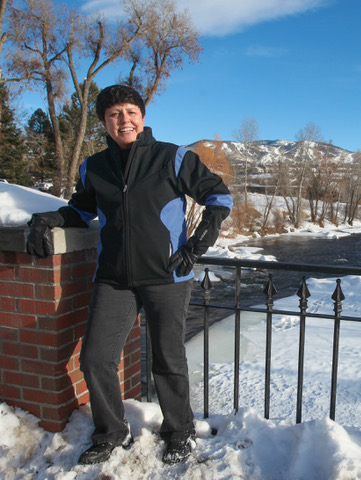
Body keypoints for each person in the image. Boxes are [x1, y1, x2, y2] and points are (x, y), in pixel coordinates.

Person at [26, 85, 232, 465]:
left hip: (166, 277)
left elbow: (219, 197)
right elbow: (80, 211)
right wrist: (49, 219)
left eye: (130, 112)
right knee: (95, 358)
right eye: (114, 115)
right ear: (104, 122)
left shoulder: (172, 157)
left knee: (168, 359)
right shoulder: (94, 167)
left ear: (142, 116)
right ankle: (111, 432)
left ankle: (179, 432)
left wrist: (196, 245)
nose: (124, 120)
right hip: (114, 278)